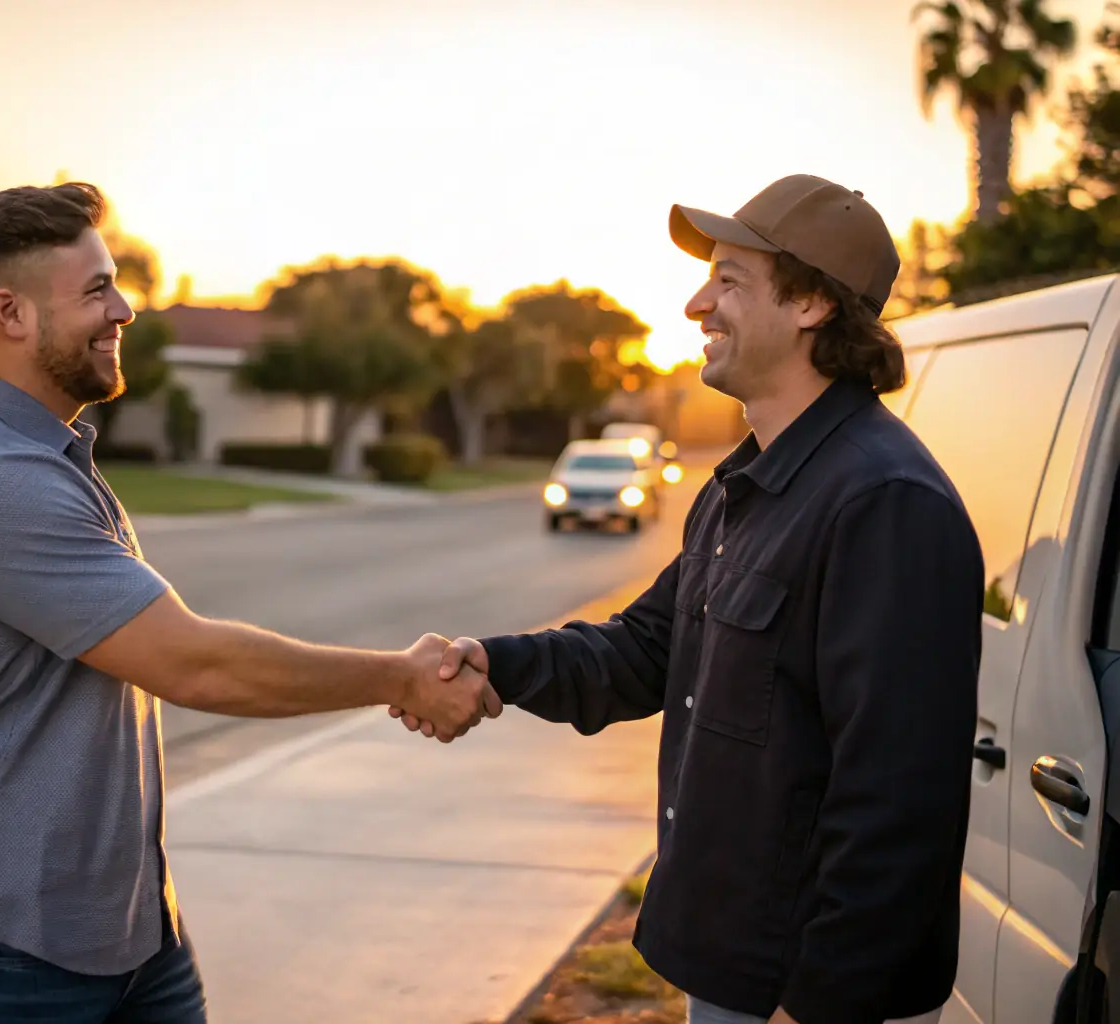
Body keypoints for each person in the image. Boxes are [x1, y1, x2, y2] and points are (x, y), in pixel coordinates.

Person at [0, 181, 498, 1024]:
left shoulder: (42, 456)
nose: (125, 309)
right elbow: (195, 662)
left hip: (128, 931)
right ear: (11, 314)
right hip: (11, 946)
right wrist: (398, 676)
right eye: (97, 289)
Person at [396, 175, 985, 1024]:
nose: (695, 303)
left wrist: (817, 1005)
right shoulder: (743, 485)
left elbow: (897, 803)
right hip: (731, 964)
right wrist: (497, 663)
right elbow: (646, 651)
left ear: (813, 303)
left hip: (805, 990)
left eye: (729, 281)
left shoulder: (883, 502)